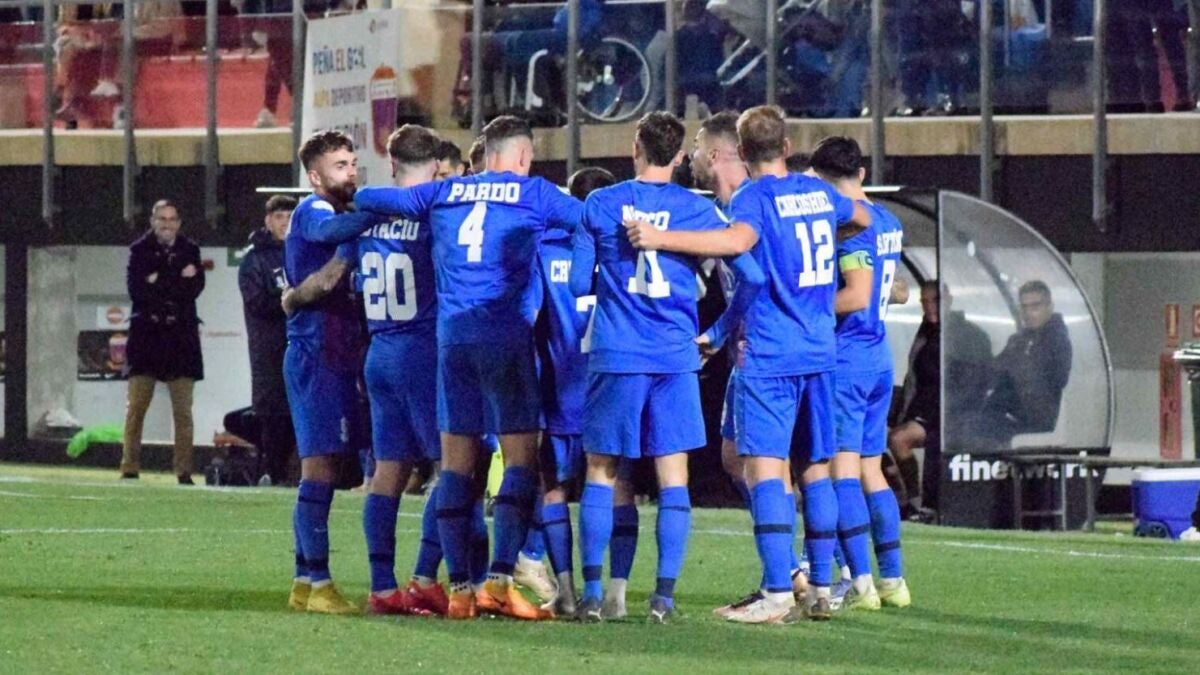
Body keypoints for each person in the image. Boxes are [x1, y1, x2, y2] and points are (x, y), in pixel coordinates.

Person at [625, 105, 872, 623]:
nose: (692, 157)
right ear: (786, 147)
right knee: (797, 464)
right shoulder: (814, 191)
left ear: (733, 151)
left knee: (765, 467)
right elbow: (861, 216)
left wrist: (658, 237)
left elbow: (740, 248)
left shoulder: (750, 201)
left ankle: (778, 590)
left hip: (771, 350)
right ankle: (817, 585)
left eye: (698, 149)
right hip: (818, 349)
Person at [354, 115, 583, 621]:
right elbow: (588, 219)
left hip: (452, 343)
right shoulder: (535, 193)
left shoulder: (445, 191)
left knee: (456, 467)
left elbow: (372, 198)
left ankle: (458, 589)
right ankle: (498, 583)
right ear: (522, 156)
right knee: (520, 461)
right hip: (506, 339)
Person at [572, 111, 764, 624]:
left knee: (602, 472)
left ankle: (593, 594)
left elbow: (575, 284)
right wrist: (717, 333)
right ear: (679, 156)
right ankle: (663, 598)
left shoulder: (601, 203)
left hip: (617, 353)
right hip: (675, 356)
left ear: (635, 147)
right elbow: (753, 278)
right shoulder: (697, 209)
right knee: (673, 477)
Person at [280, 130, 378, 616]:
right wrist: (377, 213)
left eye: (353, 163)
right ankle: (318, 582)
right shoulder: (314, 210)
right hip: (316, 355)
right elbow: (325, 237)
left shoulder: (341, 215)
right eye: (340, 165)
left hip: (335, 356)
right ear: (315, 177)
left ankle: (304, 581)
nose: (351, 172)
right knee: (319, 468)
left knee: (328, 466)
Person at [813, 136, 910, 611]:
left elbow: (854, 295)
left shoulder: (848, 225)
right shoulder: (888, 220)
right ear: (862, 174)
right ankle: (894, 580)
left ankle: (861, 584)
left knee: (842, 472)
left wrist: (807, 307)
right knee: (872, 470)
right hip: (879, 357)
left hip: (847, 357)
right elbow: (899, 290)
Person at [528, 166, 616, 619]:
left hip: (558, 389)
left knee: (554, 488)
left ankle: (564, 590)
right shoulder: (621, 248)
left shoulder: (544, 250)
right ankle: (606, 593)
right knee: (611, 488)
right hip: (611, 388)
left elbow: (527, 316)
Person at [120, 199, 206, 485]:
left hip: (181, 339)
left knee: (183, 411)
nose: (167, 224)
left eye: (172, 219)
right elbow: (137, 291)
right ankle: (129, 467)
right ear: (153, 221)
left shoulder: (190, 249)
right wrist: (176, 276)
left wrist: (157, 278)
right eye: (162, 219)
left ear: (178, 223)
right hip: (146, 338)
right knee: (136, 408)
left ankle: (184, 471)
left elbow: (195, 288)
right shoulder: (138, 250)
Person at [888, 281, 991, 518]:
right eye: (924, 301)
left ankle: (919, 501)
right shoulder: (927, 331)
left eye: (935, 300)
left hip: (950, 411)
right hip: (924, 408)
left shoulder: (966, 335)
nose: (929, 306)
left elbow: (973, 383)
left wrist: (941, 412)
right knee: (881, 426)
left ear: (949, 300)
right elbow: (915, 377)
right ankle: (905, 496)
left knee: (900, 439)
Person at [237, 194, 296, 486]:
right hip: (268, 350)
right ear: (268, 221)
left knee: (298, 412)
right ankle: (272, 472)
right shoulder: (254, 259)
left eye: (289, 217)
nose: (285, 223)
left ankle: (295, 473)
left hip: (301, 346)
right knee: (273, 413)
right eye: (279, 217)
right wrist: (292, 300)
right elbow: (256, 303)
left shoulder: (303, 252)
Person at [974, 280, 1072, 448]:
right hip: (1007, 414)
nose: (1028, 313)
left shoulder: (1057, 341)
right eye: (1024, 307)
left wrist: (1015, 365)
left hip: (1031, 421)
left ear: (1050, 306)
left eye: (1035, 306)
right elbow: (995, 368)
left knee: (974, 426)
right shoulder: (1020, 340)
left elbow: (1052, 380)